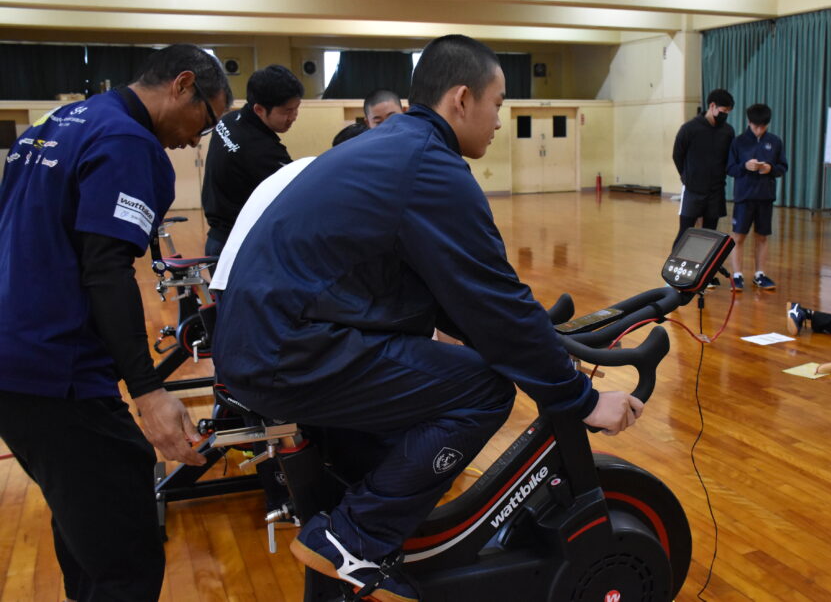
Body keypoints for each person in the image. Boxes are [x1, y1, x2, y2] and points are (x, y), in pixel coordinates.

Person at [213, 34, 642, 602]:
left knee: (402, 433)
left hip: (267, 341)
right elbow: (492, 301)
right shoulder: (429, 166)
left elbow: (454, 295)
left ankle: (351, 550)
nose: (499, 120)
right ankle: (352, 539)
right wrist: (581, 400)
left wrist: (536, 345)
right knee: (483, 390)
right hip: (286, 348)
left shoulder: (396, 145)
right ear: (461, 99)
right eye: (497, 103)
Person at [0, 44, 231, 602]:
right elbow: (105, 268)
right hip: (57, 370)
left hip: (15, 358)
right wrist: (148, 391)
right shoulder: (130, 142)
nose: (196, 139)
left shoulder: (58, 122)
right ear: (182, 85)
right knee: (124, 556)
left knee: (87, 532)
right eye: (205, 119)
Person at [201, 63, 304, 256]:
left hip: (218, 239)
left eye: (296, 109)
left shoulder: (229, 120)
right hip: (238, 247)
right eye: (287, 111)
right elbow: (298, 192)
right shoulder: (261, 149)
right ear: (259, 109)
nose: (293, 117)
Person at [672, 89, 735, 285]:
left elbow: (728, 159)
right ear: (712, 106)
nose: (725, 115)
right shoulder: (689, 129)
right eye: (723, 111)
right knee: (685, 232)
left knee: (710, 235)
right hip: (693, 190)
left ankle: (705, 274)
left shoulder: (727, 131)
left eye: (728, 112)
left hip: (715, 190)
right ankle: (676, 271)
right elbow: (677, 155)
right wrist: (687, 177)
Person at [726, 103, 788, 291]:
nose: (759, 130)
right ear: (749, 122)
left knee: (762, 237)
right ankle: (737, 275)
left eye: (763, 126)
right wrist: (745, 166)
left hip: (765, 197)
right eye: (755, 126)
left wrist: (770, 168)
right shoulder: (738, 142)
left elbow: (783, 167)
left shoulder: (775, 141)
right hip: (744, 197)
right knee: (738, 237)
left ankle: (760, 274)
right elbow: (730, 168)